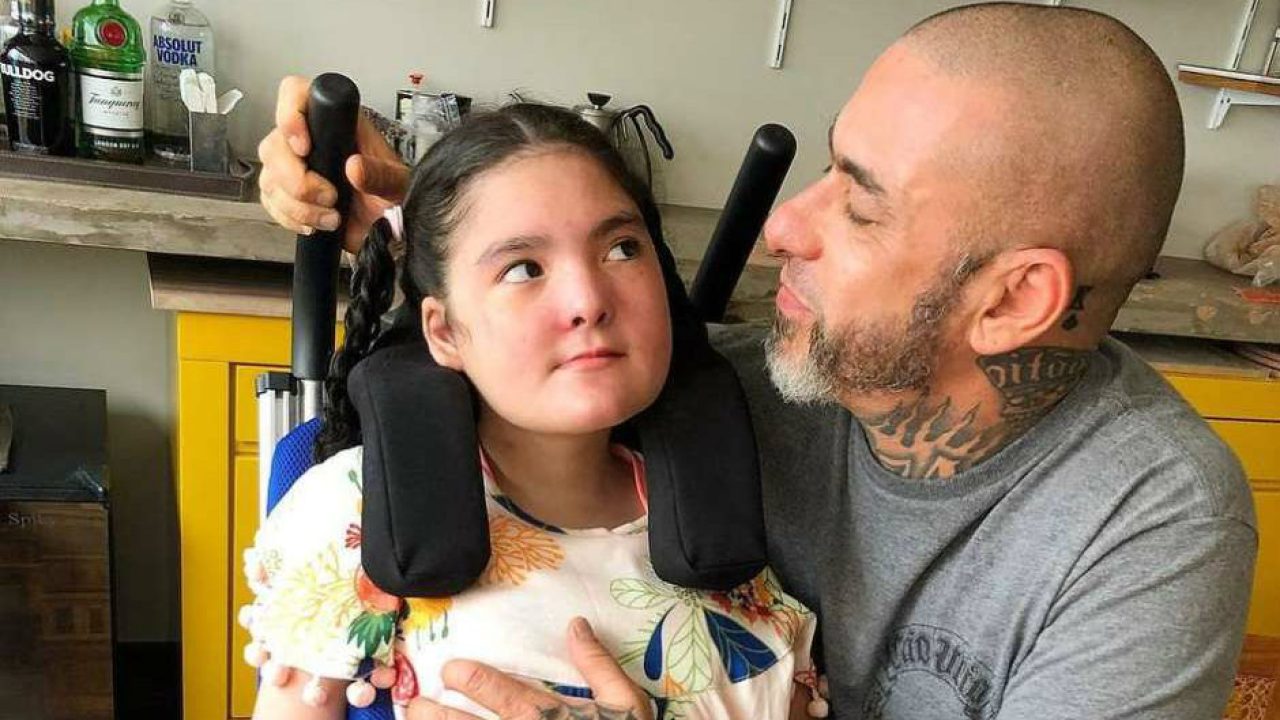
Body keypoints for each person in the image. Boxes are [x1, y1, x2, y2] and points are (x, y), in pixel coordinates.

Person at [255, 5, 1257, 718]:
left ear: (1011, 301)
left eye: (860, 204)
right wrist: (417, 213)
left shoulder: (1146, 524)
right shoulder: (733, 383)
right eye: (826, 164)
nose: (785, 226)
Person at [243, 102, 820, 720]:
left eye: (622, 249)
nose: (587, 300)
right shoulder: (350, 513)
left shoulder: (758, 508)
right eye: (523, 268)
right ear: (443, 332)